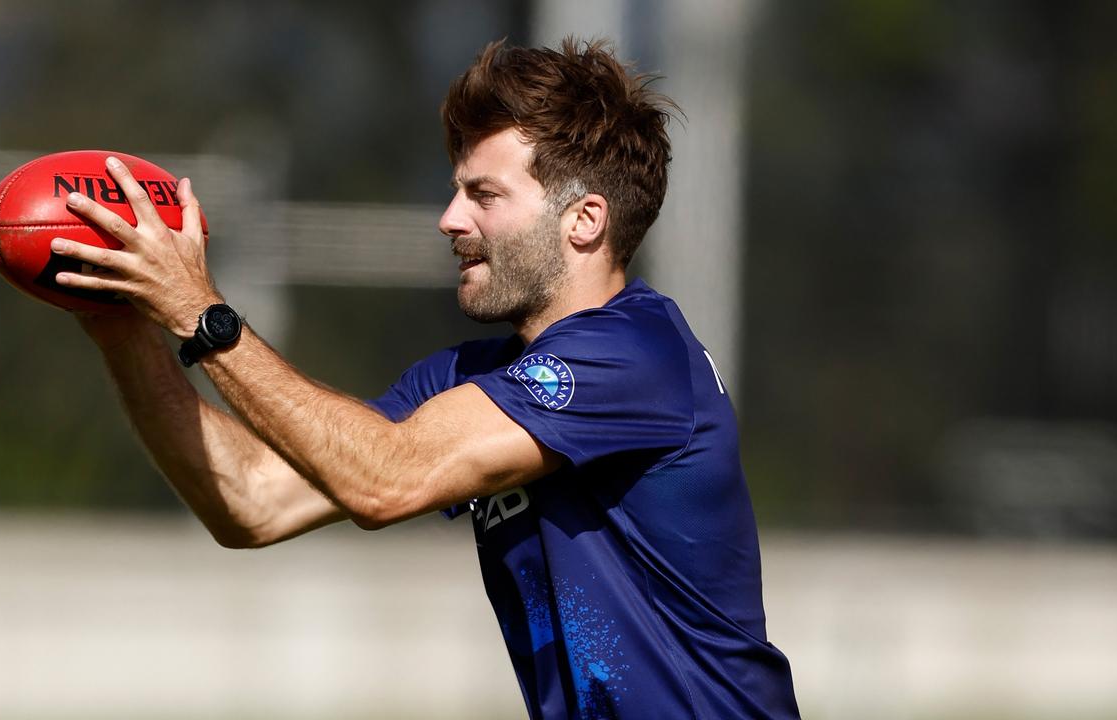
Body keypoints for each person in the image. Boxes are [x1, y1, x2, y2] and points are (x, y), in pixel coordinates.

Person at [49, 37, 800, 720]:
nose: (448, 218)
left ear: (585, 220)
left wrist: (200, 312)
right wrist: (125, 331)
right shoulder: (473, 378)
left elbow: (385, 483)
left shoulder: (637, 356)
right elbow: (251, 502)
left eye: (484, 194)